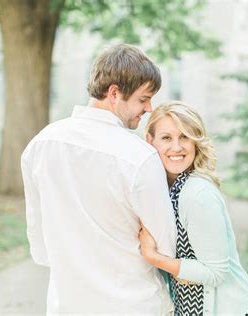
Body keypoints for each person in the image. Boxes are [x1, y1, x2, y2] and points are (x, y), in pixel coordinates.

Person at [21, 44, 176, 315]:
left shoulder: (41, 143)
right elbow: (166, 247)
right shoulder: (140, 157)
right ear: (114, 93)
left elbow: (39, 243)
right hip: (133, 304)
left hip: (66, 304)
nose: (149, 108)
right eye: (143, 99)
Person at [139, 101, 248, 315]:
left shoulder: (196, 194)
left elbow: (216, 273)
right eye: (166, 138)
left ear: (196, 142)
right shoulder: (164, 191)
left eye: (185, 136)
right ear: (150, 141)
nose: (176, 147)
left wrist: (154, 257)